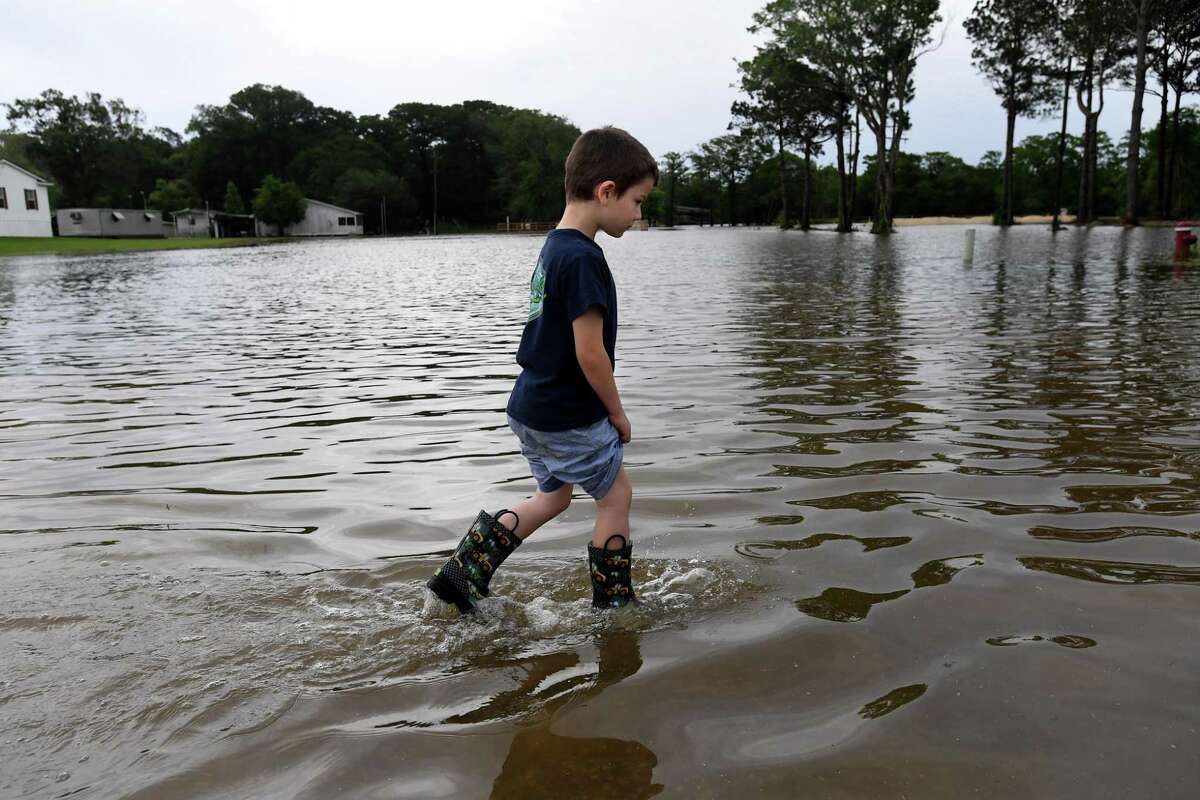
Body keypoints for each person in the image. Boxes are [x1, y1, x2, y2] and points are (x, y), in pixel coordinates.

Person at [427, 126, 658, 613]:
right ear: (606, 191)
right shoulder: (584, 258)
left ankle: (462, 575)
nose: (639, 215)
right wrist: (617, 414)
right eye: (638, 201)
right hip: (566, 412)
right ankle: (615, 608)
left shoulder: (555, 247)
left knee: (552, 497)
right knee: (616, 495)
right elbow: (589, 352)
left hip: (529, 406)